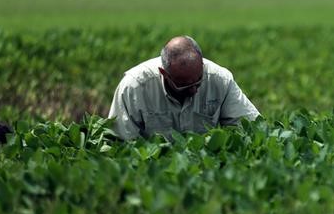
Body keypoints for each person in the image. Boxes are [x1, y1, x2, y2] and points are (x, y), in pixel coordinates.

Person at [108, 36, 260, 140]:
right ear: (164, 73)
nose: (194, 90)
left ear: (202, 64)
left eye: (198, 81)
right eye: (184, 84)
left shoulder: (220, 79)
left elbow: (253, 129)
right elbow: (121, 143)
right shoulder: (134, 87)